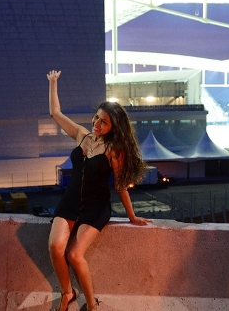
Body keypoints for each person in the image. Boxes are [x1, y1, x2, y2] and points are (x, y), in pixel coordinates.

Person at [46, 70, 151, 311]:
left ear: (113, 127)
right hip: (70, 201)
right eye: (96, 118)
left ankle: (92, 304)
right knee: (55, 246)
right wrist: (53, 83)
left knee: (73, 254)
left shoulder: (114, 149)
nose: (96, 124)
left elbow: (120, 185)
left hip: (96, 207)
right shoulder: (82, 135)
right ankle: (67, 292)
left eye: (103, 122)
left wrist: (132, 216)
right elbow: (55, 113)